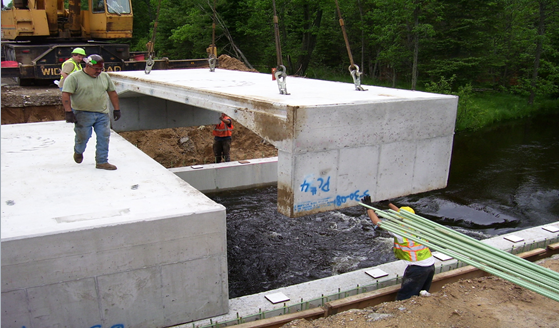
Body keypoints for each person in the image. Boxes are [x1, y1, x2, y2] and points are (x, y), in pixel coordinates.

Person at [361, 196, 435, 301]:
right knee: (422, 292)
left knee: (406, 295)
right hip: (430, 264)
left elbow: (376, 222)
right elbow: (402, 213)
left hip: (418, 268)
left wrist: (369, 208)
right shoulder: (419, 224)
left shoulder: (401, 231)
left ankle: (402, 311)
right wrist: (388, 204)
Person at [62, 54, 121, 171]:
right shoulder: (74, 78)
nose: (99, 71)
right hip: (82, 113)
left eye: (101, 69)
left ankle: (102, 161)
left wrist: (117, 109)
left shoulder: (104, 77)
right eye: (96, 69)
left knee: (104, 136)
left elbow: (112, 92)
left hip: (102, 113)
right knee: (83, 136)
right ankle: (78, 151)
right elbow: (66, 94)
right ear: (87, 66)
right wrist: (68, 111)